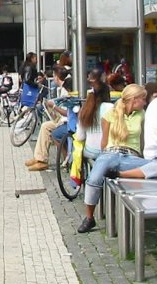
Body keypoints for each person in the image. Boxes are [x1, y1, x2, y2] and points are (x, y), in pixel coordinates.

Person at [77, 83, 147, 233]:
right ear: (134, 100)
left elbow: (142, 140)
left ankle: (120, 175)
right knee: (94, 179)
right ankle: (89, 218)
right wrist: (103, 157)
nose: (145, 102)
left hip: (131, 155)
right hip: (110, 152)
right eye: (143, 99)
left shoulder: (141, 114)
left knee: (154, 167)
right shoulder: (110, 114)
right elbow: (104, 140)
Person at [24, 68, 70, 171]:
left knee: (47, 128)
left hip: (65, 120)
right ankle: (40, 158)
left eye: (54, 76)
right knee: (45, 126)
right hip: (62, 119)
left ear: (57, 77)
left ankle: (43, 160)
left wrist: (53, 107)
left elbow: (66, 111)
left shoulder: (65, 89)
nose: (53, 79)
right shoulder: (60, 89)